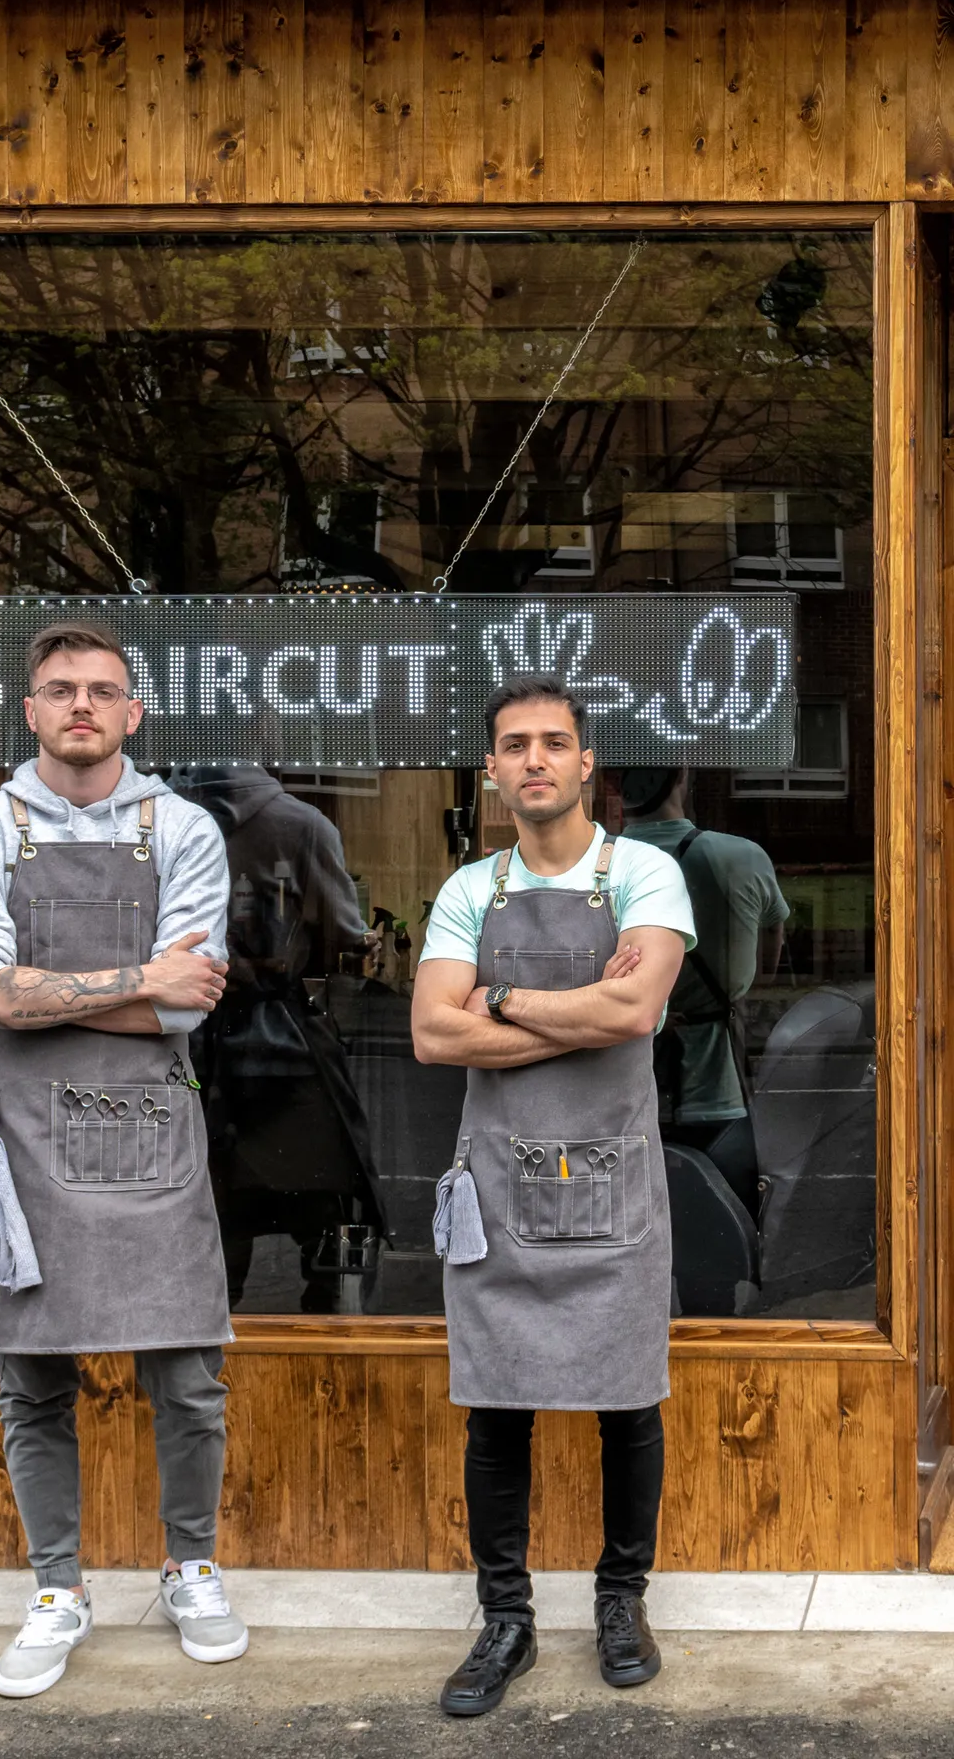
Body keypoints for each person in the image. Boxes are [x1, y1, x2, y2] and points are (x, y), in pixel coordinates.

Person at [0, 622, 241, 1697]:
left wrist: (47, 999)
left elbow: (185, 1007)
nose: (80, 706)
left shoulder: (184, 828)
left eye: (101, 691)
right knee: (31, 1380)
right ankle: (56, 1586)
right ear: (28, 710)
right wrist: (134, 983)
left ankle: (190, 1563)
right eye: (59, 690)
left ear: (132, 712)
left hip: (147, 1132)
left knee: (189, 1374)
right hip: (17, 1144)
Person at [412, 680, 693, 1718]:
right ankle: (506, 1620)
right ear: (491, 772)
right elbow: (433, 1036)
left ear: (586, 765)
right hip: (499, 1189)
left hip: (612, 1186)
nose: (535, 760)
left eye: (555, 743)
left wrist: (499, 995)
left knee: (628, 1401)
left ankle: (621, 1600)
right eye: (514, 746)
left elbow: (637, 1007)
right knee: (497, 1408)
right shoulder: (464, 892)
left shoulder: (646, 873)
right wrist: (586, 1010)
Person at [181, 761, 389, 1311]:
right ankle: (329, 1356)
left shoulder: (159, 818)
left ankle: (204, 1356)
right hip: (285, 1050)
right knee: (331, 1216)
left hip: (187, 1046)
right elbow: (342, 935)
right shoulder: (302, 825)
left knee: (209, 1222)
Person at [615, 765, 790, 1211]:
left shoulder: (598, 866)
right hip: (720, 1090)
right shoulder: (742, 857)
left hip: (621, 1090)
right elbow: (768, 963)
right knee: (728, 1230)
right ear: (682, 780)